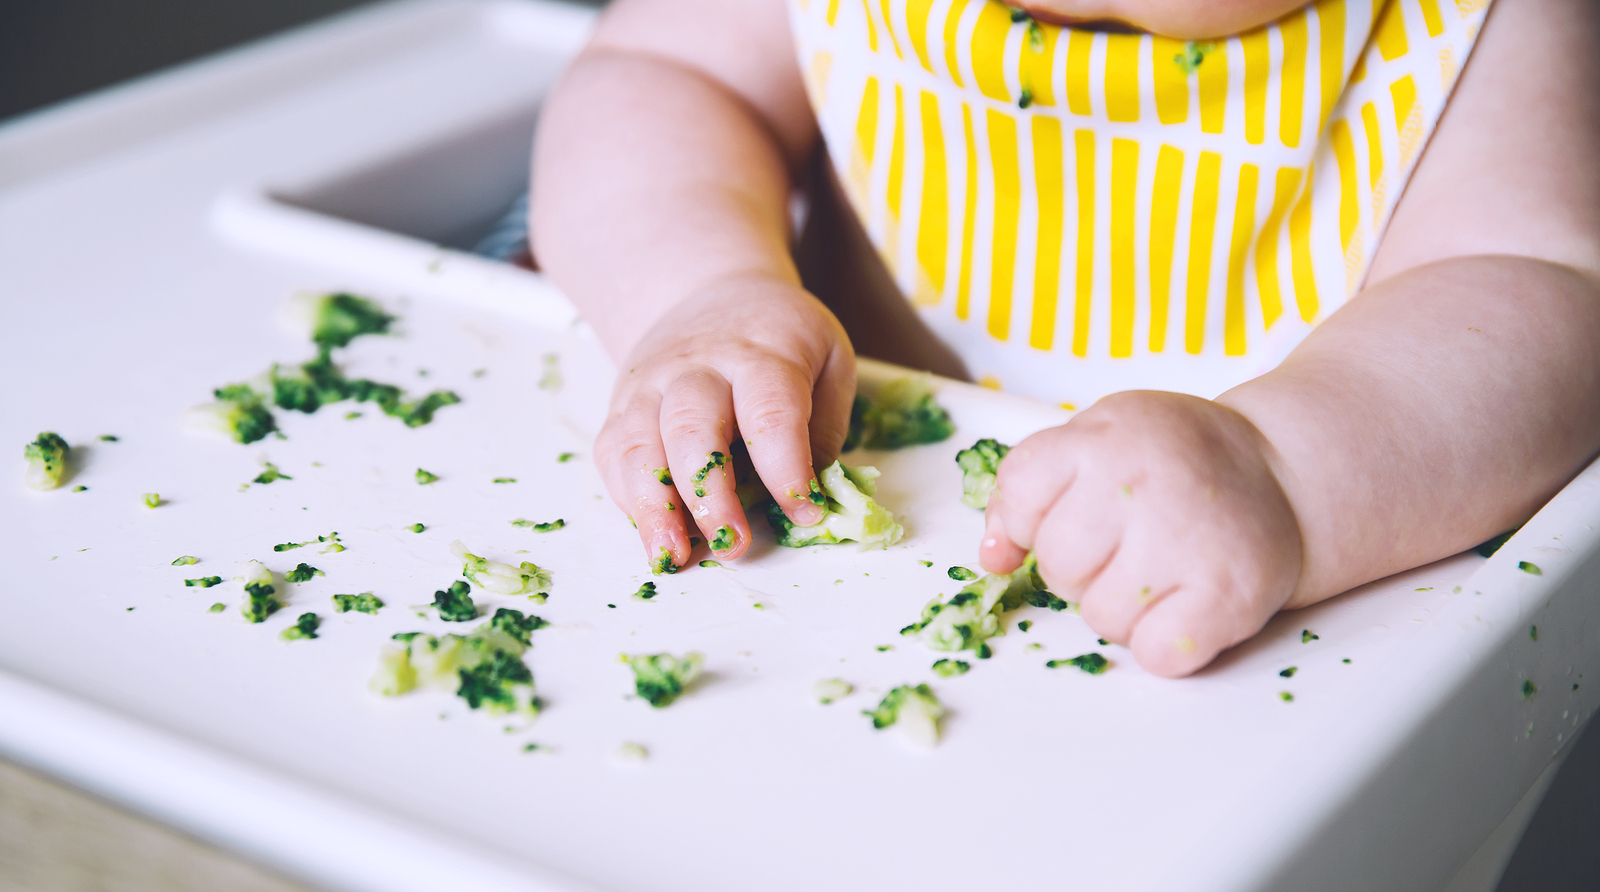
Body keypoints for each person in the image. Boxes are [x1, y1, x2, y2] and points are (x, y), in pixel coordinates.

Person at [529, 0, 1600, 677]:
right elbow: (663, 79)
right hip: (839, 568)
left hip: (1210, 647)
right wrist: (704, 288)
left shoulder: (1478, 28)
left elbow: (1547, 301)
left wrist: (1285, 467)